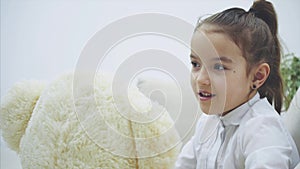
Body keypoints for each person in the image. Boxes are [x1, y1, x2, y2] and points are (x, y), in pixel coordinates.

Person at [175, 0, 300, 168]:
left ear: (257, 76)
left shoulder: (263, 129)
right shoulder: (208, 123)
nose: (200, 79)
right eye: (196, 64)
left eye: (218, 67)